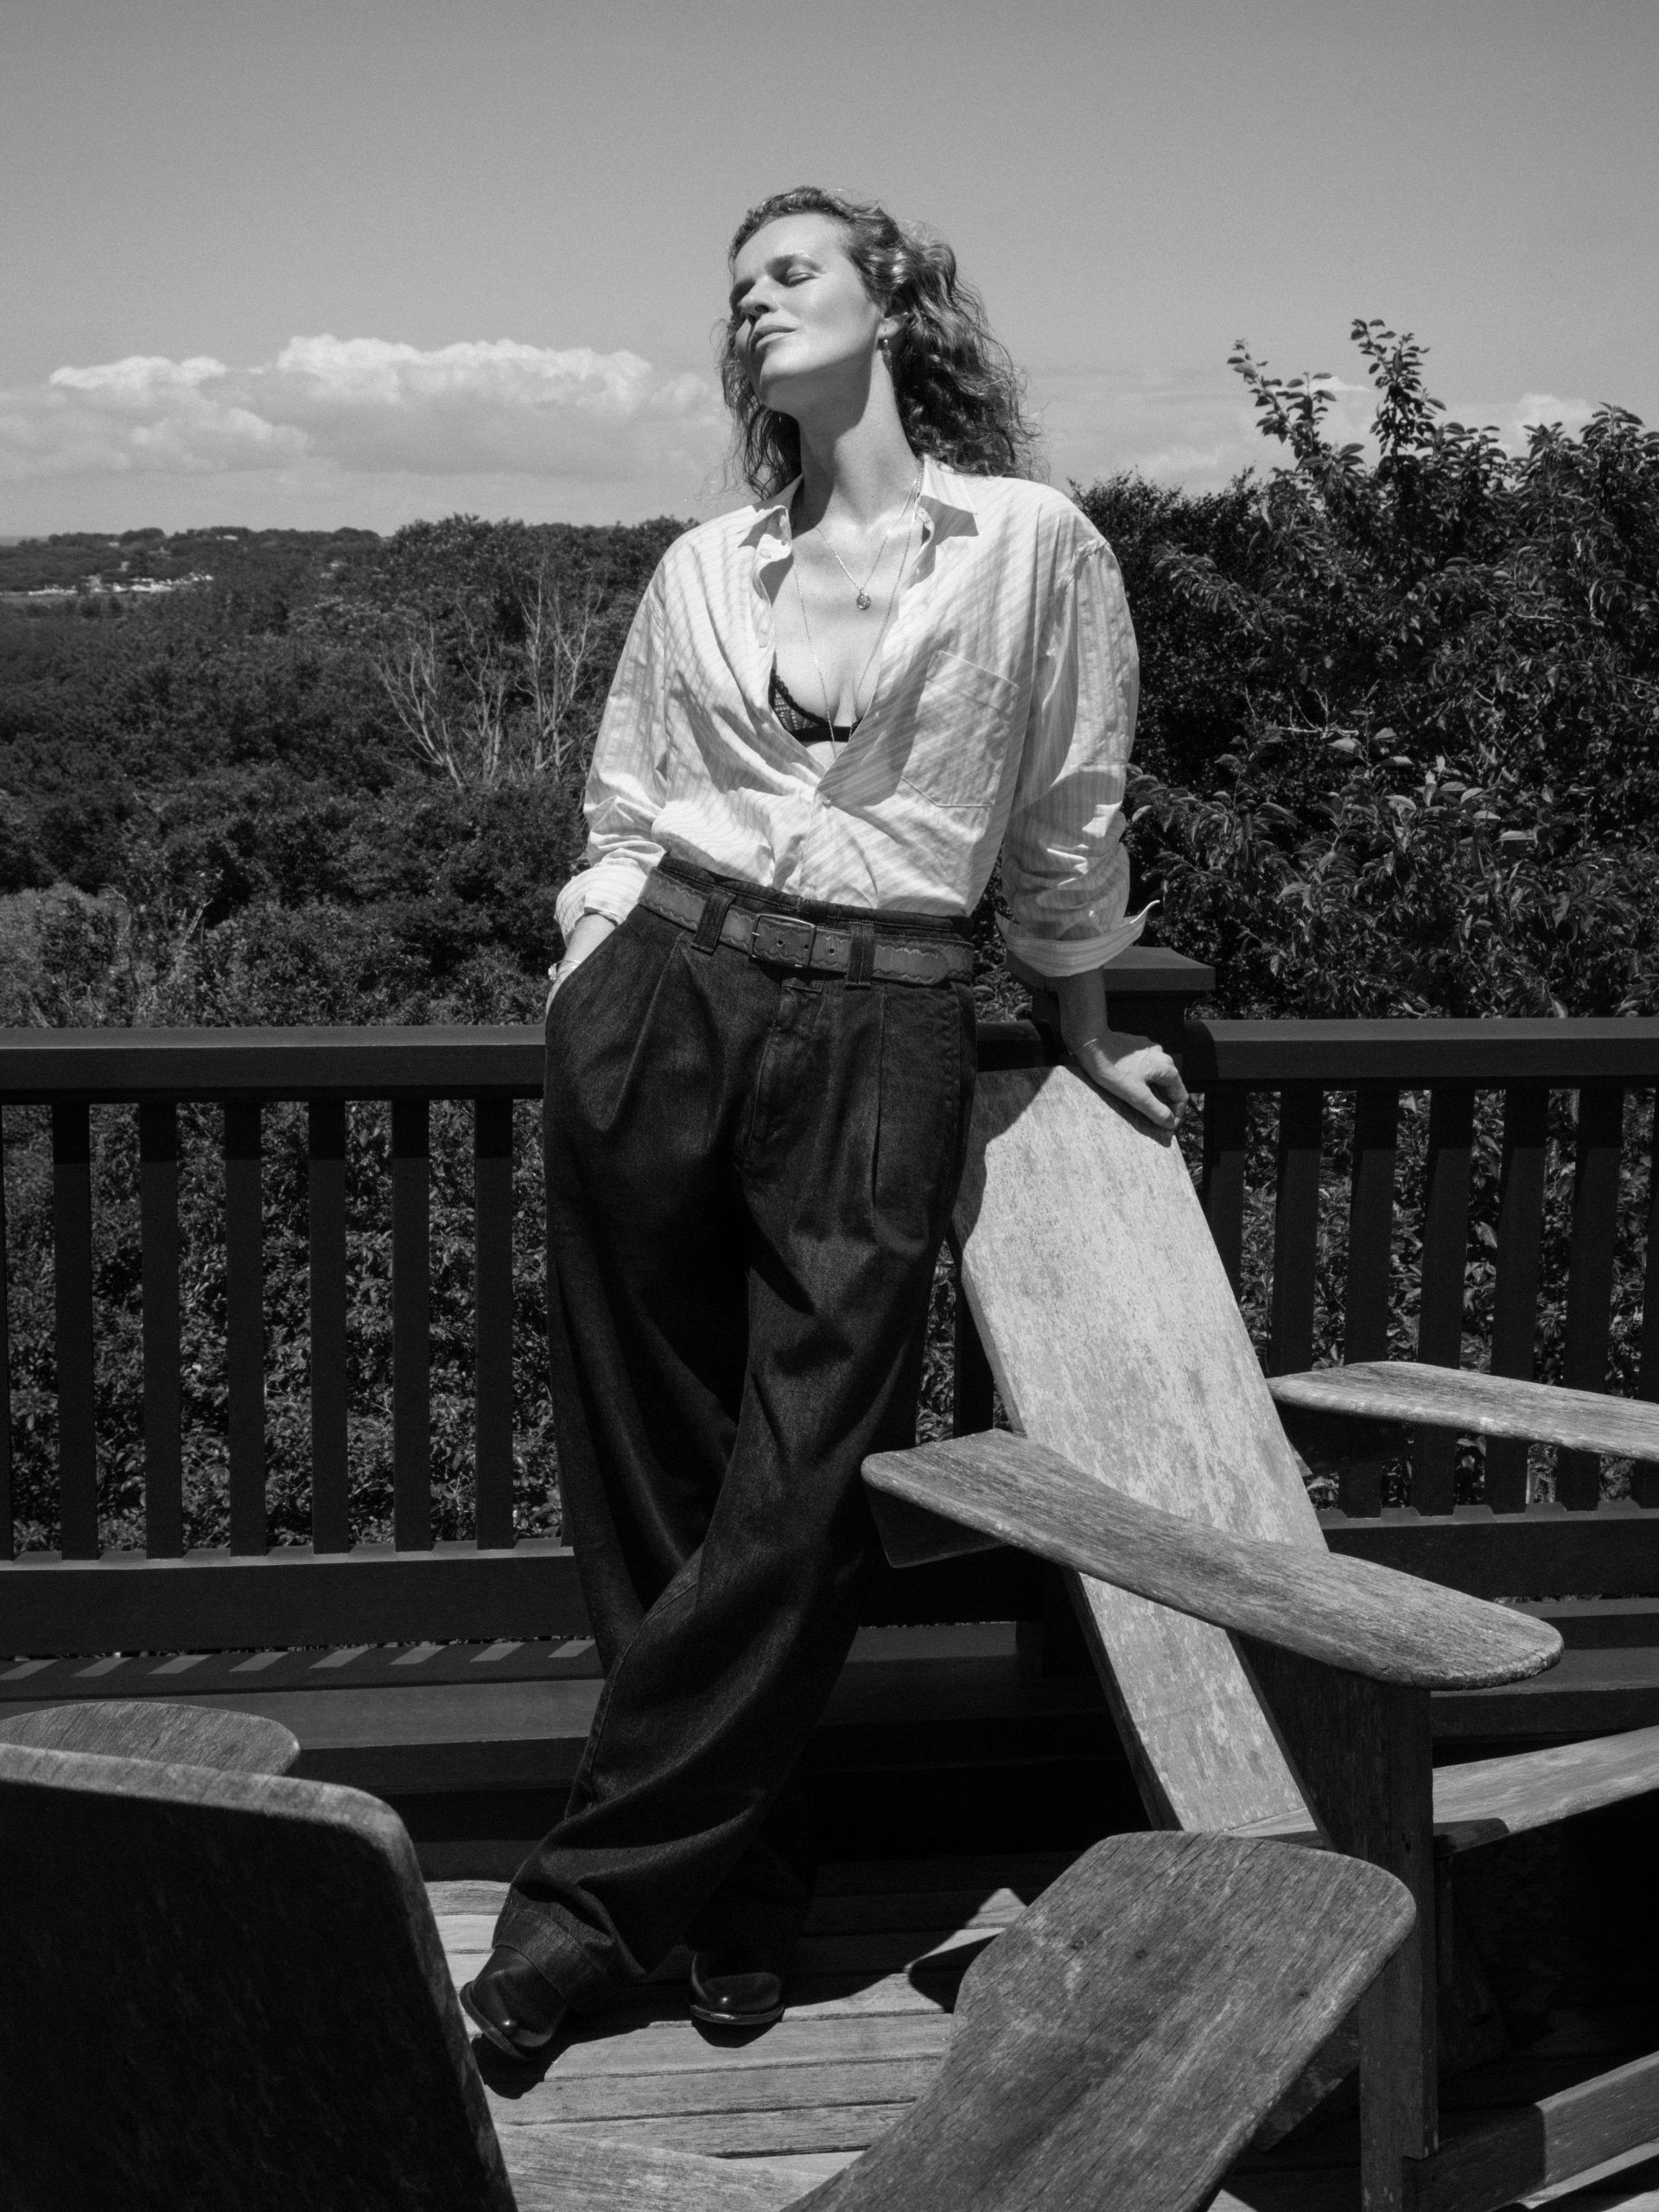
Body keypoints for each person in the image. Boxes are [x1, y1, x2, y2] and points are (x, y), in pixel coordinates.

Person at [461, 186, 1188, 2059]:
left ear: (894, 304)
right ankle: (740, 1891)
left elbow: (1072, 799)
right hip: (665, 998)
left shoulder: (1030, 543)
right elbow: (626, 802)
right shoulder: (704, 566)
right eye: (739, 289)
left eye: (792, 271)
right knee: (657, 1476)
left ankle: (581, 1917)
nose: (755, 304)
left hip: (889, 1015)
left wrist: (1084, 1024)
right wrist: (594, 969)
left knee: (802, 1485)